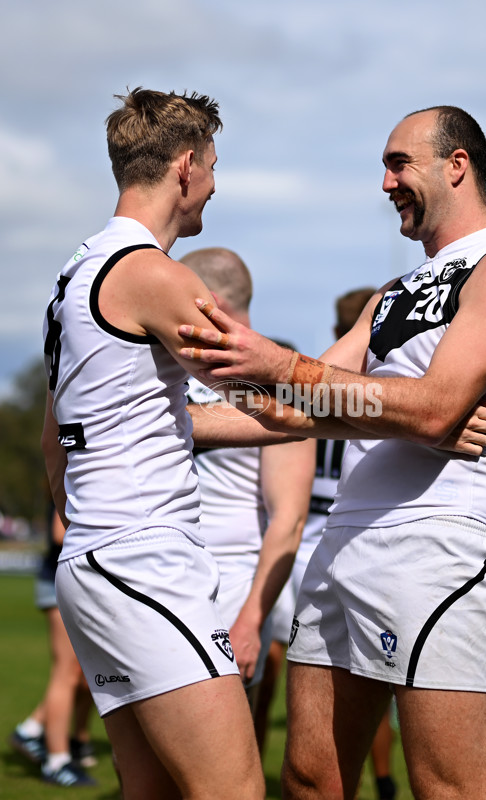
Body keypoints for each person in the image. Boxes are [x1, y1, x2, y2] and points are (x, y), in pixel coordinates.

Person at [178, 105, 486, 800]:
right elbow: (299, 410)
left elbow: (438, 404)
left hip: (437, 546)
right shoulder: (389, 297)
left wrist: (289, 367)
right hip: (343, 546)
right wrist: (174, 420)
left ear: (457, 165)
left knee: (447, 786)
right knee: (309, 779)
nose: (385, 183)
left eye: (398, 163)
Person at [41, 87, 265, 799]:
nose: (216, 185)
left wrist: (94, 533)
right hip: (145, 561)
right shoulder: (153, 274)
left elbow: (55, 443)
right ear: (186, 166)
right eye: (215, 166)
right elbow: (277, 388)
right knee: (235, 791)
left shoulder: (73, 276)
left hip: (98, 560)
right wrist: (403, 408)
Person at [256, 288, 399, 800]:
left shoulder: (315, 375)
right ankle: (382, 780)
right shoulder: (385, 382)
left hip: (304, 535)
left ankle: (249, 767)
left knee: (271, 666)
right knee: (370, 677)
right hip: (354, 531)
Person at [180, 247, 314, 707]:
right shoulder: (175, 366)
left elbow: (289, 519)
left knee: (219, 763)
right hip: (162, 580)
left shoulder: (275, 376)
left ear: (207, 300)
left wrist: (250, 621)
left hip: (231, 592)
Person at [9, 504, 97, 787]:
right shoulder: (70, 471)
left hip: (77, 582)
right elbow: (60, 534)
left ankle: (37, 730)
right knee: (67, 671)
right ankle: (56, 761)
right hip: (60, 580)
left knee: (83, 673)